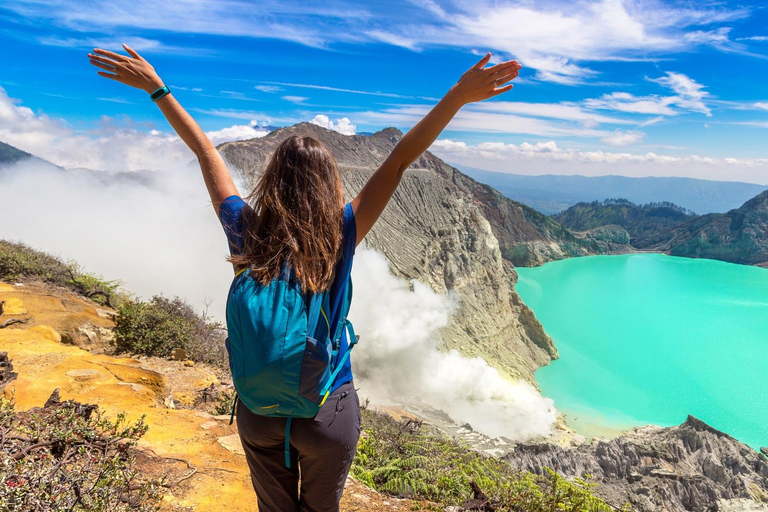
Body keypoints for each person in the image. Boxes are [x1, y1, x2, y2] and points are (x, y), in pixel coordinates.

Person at [89, 44, 520, 512]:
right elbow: (399, 160)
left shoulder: (245, 231)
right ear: (328, 183)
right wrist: (457, 97)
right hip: (326, 412)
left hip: (259, 412)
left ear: (272, 181)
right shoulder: (341, 232)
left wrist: (157, 88)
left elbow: (204, 150)